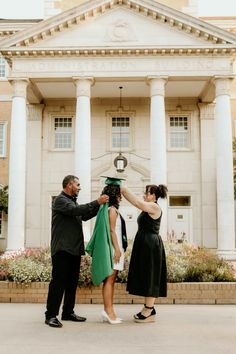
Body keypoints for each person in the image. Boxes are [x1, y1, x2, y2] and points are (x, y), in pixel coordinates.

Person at [45, 175, 109, 328]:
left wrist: (100, 206)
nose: (80, 187)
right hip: (62, 249)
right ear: (69, 185)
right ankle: (51, 315)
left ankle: (68, 312)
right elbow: (75, 211)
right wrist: (96, 202)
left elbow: (84, 215)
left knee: (72, 283)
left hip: (73, 249)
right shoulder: (60, 200)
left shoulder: (72, 202)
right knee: (58, 283)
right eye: (77, 184)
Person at [121, 184, 168, 323]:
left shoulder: (154, 207)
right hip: (145, 244)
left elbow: (136, 202)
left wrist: (123, 189)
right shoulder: (149, 206)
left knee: (151, 275)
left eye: (147, 193)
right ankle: (148, 308)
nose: (144, 195)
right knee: (147, 274)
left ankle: (150, 309)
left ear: (154, 196)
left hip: (151, 245)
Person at [100, 178, 127, 324]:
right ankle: (108, 312)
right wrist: (117, 249)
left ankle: (110, 311)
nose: (121, 197)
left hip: (115, 248)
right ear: (114, 196)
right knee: (109, 280)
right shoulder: (111, 210)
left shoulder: (112, 209)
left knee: (111, 281)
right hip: (113, 249)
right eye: (119, 194)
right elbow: (111, 230)